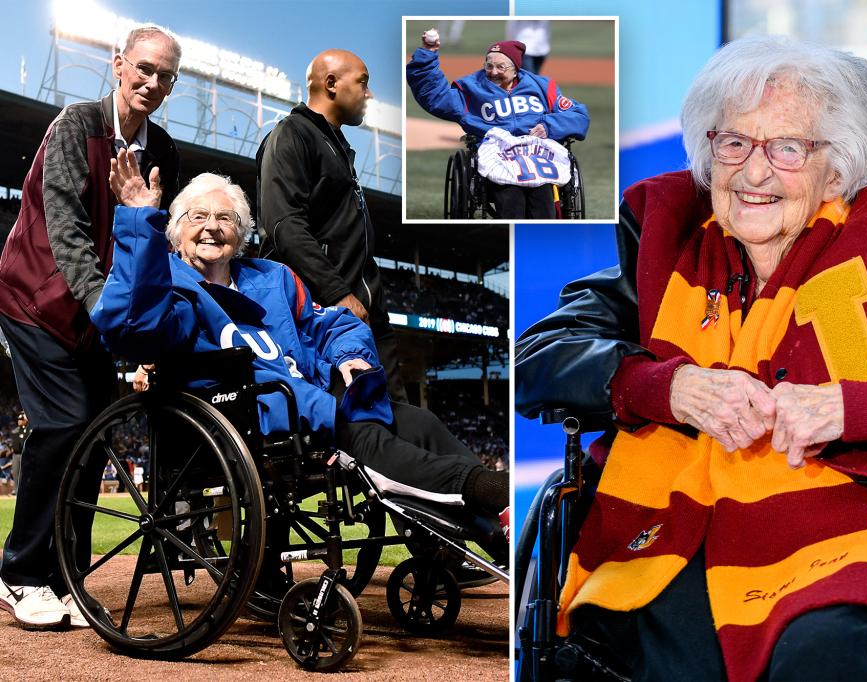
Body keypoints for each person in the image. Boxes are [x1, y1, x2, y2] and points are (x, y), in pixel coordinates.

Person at [515, 36, 867, 681]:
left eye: (788, 148)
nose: (754, 174)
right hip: (676, 520)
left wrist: (857, 405)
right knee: (663, 653)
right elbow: (544, 352)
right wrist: (665, 387)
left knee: (824, 656)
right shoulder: (667, 227)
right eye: (734, 143)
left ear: (839, 168)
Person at [95, 160, 510, 550]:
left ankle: (497, 528)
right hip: (251, 416)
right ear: (175, 231)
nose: (211, 228)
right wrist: (137, 222)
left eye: (225, 218)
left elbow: (330, 324)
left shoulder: (273, 277)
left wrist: (349, 355)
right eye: (197, 217)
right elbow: (134, 328)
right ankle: (485, 488)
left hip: (311, 407)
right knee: (367, 442)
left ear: (240, 235)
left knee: (418, 421)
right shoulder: (172, 285)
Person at [0, 25, 180, 630]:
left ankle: (68, 579)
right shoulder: (77, 125)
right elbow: (66, 233)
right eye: (145, 69)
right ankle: (20, 574)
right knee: (63, 423)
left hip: (99, 318)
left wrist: (147, 322)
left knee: (95, 437)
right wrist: (112, 310)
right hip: (35, 299)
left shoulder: (165, 153)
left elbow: (157, 245)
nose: (153, 83)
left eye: (166, 76)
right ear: (119, 65)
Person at [257, 49, 407, 403]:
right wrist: (338, 292)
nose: (369, 94)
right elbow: (284, 225)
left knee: (397, 414)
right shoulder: (292, 133)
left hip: (368, 312)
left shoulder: (337, 145)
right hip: (327, 315)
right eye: (363, 83)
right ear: (331, 84)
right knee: (354, 425)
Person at [407, 34, 590, 219]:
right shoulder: (471, 88)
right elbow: (434, 96)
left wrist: (549, 126)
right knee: (510, 194)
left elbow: (578, 116)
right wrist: (427, 55)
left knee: (543, 194)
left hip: (538, 158)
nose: (493, 72)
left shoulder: (542, 87)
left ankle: (541, 240)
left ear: (516, 69)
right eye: (489, 65)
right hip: (498, 157)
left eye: (500, 67)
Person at [10, 412, 29, 496]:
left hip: (24, 454)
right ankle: (16, 491)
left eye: (21, 420)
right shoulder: (16, 431)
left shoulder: (28, 430)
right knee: (15, 473)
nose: (19, 421)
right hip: (15, 455)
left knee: (23, 473)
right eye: (18, 420)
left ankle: (23, 491)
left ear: (25, 421)